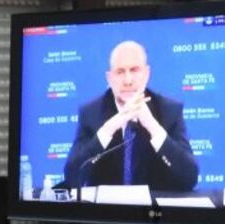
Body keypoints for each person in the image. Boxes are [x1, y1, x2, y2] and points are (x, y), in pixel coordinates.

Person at [63, 41, 198, 192]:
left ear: (146, 74)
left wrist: (153, 127)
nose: (128, 80)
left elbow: (190, 178)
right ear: (109, 78)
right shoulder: (91, 113)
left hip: (154, 206)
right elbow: (72, 177)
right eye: (120, 72)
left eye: (134, 70)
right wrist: (107, 130)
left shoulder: (169, 111)